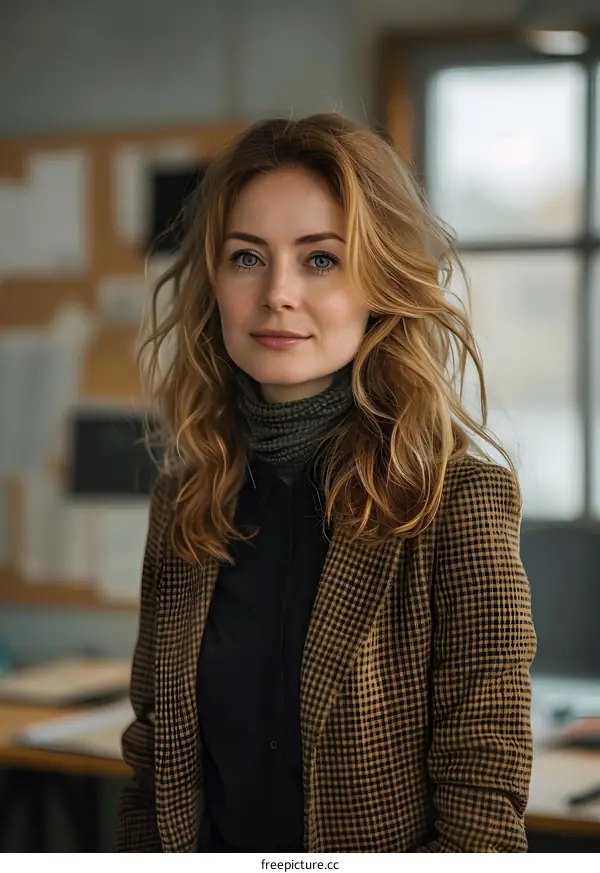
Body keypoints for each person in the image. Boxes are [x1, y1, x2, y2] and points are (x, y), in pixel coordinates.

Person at [115, 113, 536, 853]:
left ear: (381, 280)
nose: (277, 293)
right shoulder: (184, 503)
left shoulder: (458, 502)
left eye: (319, 260)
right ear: (214, 279)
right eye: (247, 257)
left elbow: (483, 806)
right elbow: (154, 769)